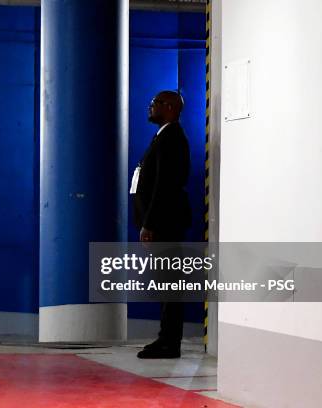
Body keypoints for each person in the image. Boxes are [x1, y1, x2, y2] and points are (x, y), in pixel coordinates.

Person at [131, 90, 191, 359]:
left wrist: (149, 223)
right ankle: (165, 339)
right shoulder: (164, 136)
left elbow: (164, 186)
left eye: (153, 103)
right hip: (159, 224)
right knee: (165, 284)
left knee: (169, 284)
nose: (150, 107)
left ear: (169, 107)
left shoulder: (172, 138)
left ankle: (169, 342)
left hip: (163, 225)